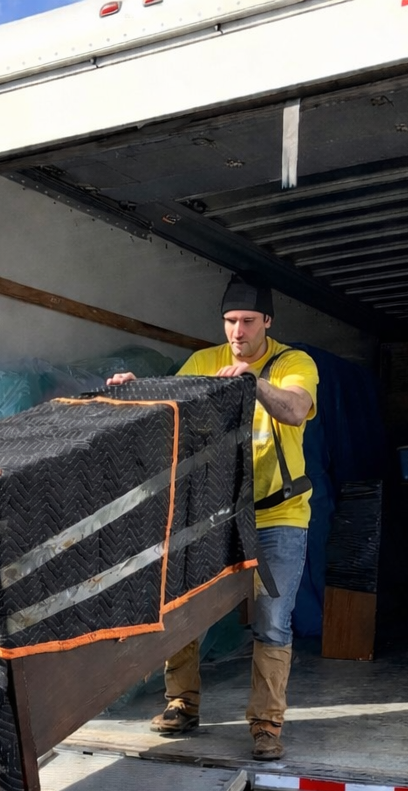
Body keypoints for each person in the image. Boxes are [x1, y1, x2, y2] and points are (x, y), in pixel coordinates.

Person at [109, 273, 317, 761]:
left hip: (278, 514)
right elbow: (170, 406)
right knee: (181, 607)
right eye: (229, 322)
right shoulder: (205, 362)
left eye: (247, 322)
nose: (237, 333)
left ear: (267, 321)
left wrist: (254, 383)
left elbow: (295, 408)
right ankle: (182, 703)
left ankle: (266, 724)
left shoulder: (293, 363)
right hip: (218, 515)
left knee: (272, 621)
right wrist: (134, 391)